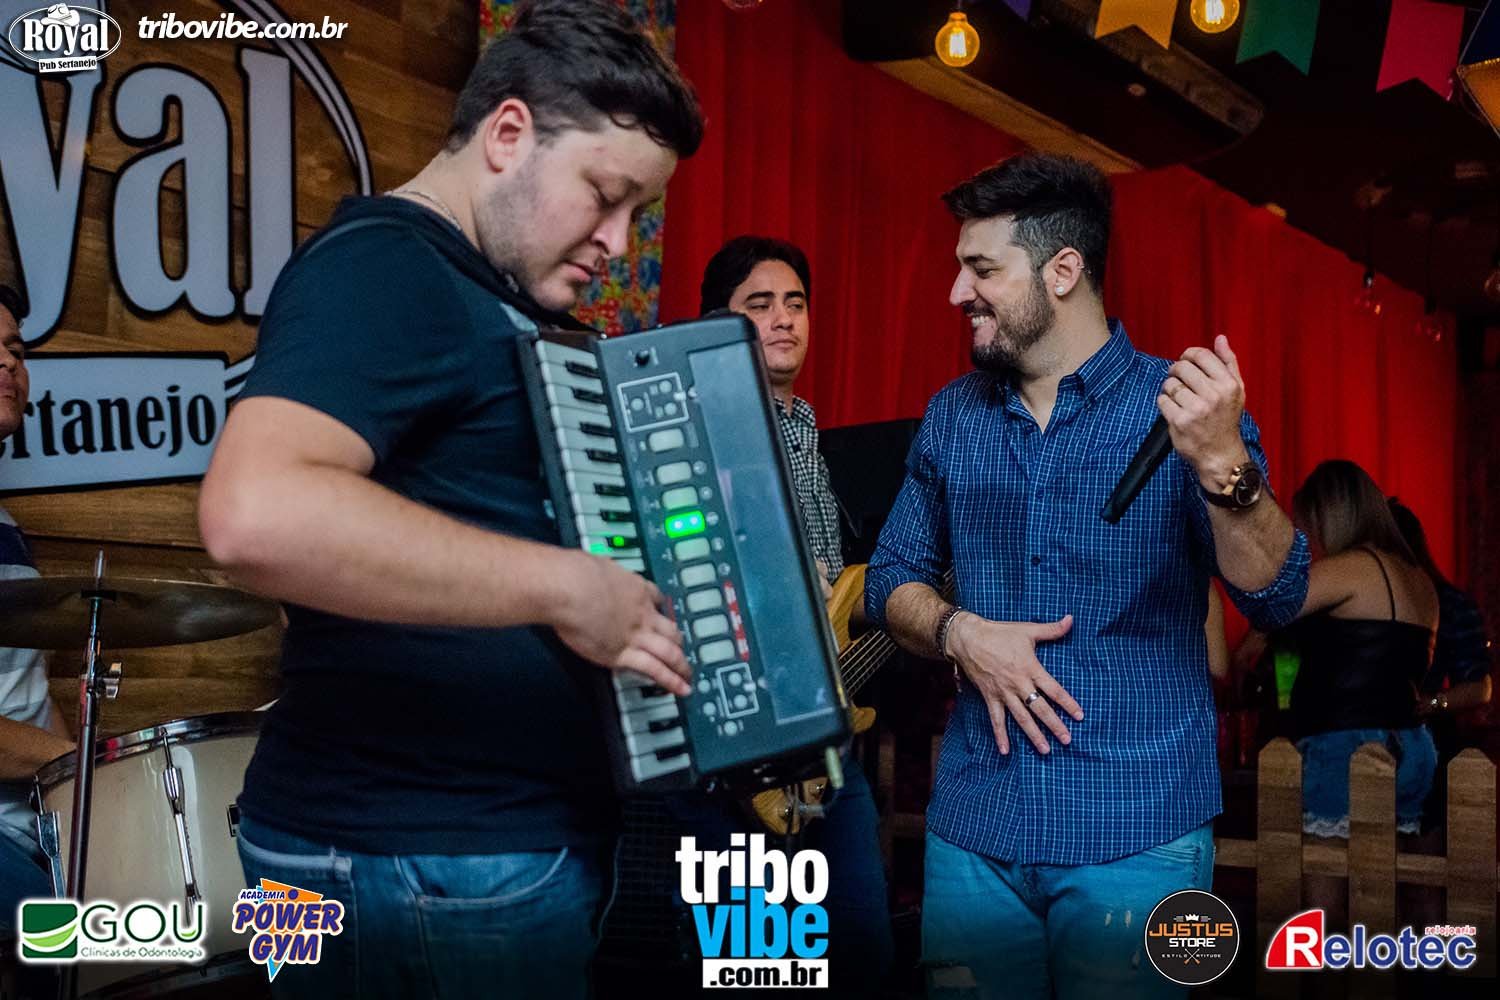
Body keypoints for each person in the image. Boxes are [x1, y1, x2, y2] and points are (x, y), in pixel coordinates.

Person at [196, 3, 703, 996]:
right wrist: (569, 588)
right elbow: (253, 513)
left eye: (637, 214)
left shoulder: (474, 287)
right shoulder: (387, 265)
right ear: (508, 135)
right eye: (605, 196)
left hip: (426, 858)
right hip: (417, 866)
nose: (616, 239)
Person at [864, 152, 1310, 999]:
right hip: (975, 833)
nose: (958, 293)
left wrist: (1224, 462)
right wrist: (959, 632)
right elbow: (891, 577)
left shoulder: (1177, 410)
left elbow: (1278, 595)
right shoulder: (954, 416)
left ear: (1063, 271)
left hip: (1138, 835)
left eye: (981, 269)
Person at [666, 236, 892, 994]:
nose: (784, 318)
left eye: (795, 303)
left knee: (860, 956)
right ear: (717, 323)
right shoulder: (693, 436)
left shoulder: (811, 436)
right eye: (759, 305)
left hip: (829, 748)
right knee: (749, 971)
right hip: (738, 755)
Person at [1279, 466, 1439, 838]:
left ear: (1327, 517)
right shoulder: (1420, 579)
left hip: (1347, 746)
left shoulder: (1349, 567)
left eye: (1306, 528)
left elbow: (1270, 606)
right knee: (1388, 871)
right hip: (1411, 744)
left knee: (1325, 872)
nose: (1305, 540)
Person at [0, 282, 73, 937]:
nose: (8, 362)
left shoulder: (6, 529)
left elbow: (27, 690)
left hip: (29, 826)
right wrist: (79, 764)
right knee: (77, 945)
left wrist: (81, 799)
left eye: (16, 350)